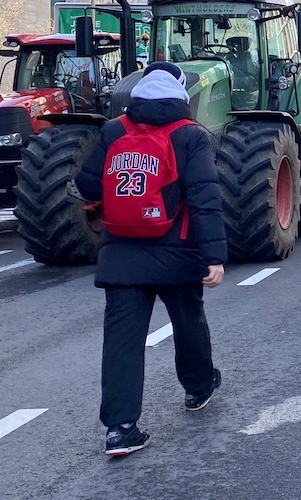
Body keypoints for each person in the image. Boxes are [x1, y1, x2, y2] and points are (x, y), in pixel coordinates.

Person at [75, 61, 227, 457]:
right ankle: (198, 387)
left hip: (121, 254)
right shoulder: (191, 135)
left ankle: (121, 429)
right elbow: (205, 199)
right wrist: (214, 257)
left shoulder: (114, 130)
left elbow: (88, 182)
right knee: (188, 323)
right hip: (176, 251)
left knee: (122, 342)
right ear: (181, 95)